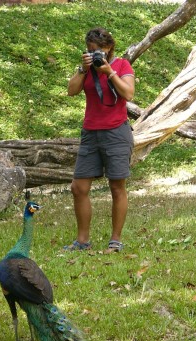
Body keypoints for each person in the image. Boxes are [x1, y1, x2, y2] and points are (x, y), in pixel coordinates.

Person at [64, 27, 135, 252]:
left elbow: (128, 93)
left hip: (116, 132)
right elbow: (71, 91)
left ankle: (115, 240)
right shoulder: (86, 68)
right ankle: (82, 240)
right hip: (90, 133)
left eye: (98, 51)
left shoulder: (122, 65)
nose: (95, 54)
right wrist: (83, 69)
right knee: (79, 187)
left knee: (117, 186)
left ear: (109, 48)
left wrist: (109, 72)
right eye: (90, 50)